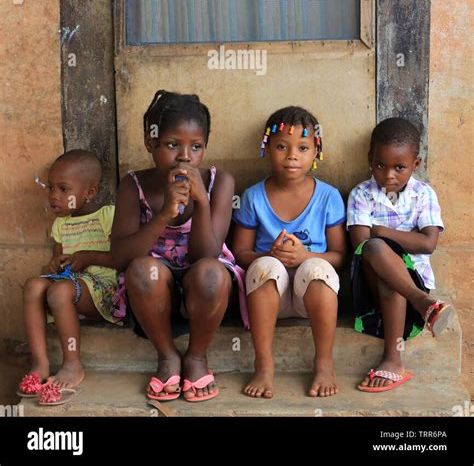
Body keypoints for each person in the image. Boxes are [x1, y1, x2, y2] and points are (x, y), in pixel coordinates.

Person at [111, 90, 248, 403]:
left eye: (196, 147)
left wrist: (201, 202)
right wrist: (163, 215)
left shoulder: (220, 182)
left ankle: (196, 357)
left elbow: (206, 255)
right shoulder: (134, 184)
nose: (185, 156)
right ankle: (167, 355)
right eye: (173, 145)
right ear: (151, 142)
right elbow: (120, 257)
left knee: (211, 273)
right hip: (155, 291)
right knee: (143, 271)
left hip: (204, 287)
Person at [232, 106, 346, 399]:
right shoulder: (253, 197)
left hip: (312, 299)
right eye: (281, 146)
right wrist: (269, 254)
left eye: (303, 147)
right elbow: (239, 253)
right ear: (266, 148)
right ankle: (264, 365)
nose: (292, 155)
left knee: (316, 269)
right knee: (266, 265)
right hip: (270, 296)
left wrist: (304, 257)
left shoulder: (329, 197)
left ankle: (323, 363)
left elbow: (339, 256)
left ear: (316, 151)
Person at [347, 117, 452, 393]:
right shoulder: (361, 194)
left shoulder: (423, 194)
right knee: (375, 250)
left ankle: (393, 360)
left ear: (415, 165)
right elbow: (361, 242)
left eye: (399, 167)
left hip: (413, 279)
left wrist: (381, 230)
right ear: (370, 159)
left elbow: (429, 243)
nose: (388, 175)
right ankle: (424, 305)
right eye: (380, 165)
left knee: (384, 260)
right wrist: (386, 239)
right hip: (374, 283)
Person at [18, 150, 120, 404]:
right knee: (33, 286)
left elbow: (121, 259)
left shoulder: (107, 216)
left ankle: (72, 363)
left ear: (90, 192)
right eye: (51, 188)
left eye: (64, 189)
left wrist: (86, 258)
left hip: (104, 290)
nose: (54, 195)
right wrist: (56, 263)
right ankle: (40, 363)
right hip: (71, 284)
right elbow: (56, 263)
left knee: (60, 290)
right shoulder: (60, 225)